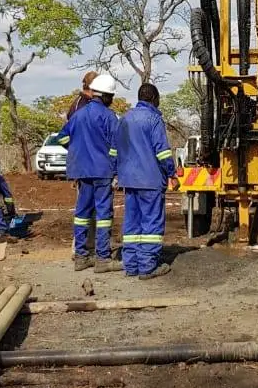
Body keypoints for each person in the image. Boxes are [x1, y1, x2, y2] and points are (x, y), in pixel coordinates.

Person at [56, 72, 122, 273]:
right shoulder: (109, 117)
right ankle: (103, 259)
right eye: (111, 96)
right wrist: (115, 170)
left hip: (82, 171)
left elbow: (62, 138)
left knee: (82, 214)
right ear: (106, 96)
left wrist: (76, 150)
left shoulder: (78, 115)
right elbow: (116, 147)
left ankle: (81, 257)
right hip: (102, 171)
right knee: (103, 215)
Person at [115, 82, 178, 279]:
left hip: (129, 181)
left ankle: (131, 265)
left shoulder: (125, 118)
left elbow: (115, 150)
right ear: (153, 98)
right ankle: (147, 267)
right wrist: (172, 173)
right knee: (151, 224)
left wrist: (117, 174)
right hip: (150, 180)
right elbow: (162, 152)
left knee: (132, 224)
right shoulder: (154, 119)